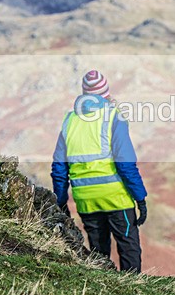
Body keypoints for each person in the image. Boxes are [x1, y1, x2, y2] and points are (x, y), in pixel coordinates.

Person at [51, 70, 148, 273]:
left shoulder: (69, 121)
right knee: (128, 248)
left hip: (86, 200)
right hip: (116, 198)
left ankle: (100, 290)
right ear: (106, 94)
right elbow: (125, 164)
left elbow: (59, 167)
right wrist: (140, 198)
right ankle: (132, 290)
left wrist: (61, 201)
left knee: (98, 254)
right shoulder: (114, 117)